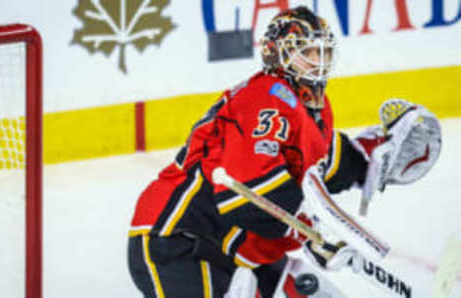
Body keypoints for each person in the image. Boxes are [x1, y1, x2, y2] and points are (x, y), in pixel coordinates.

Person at [127, 5, 441, 298]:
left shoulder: (309, 109)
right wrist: (312, 235)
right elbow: (247, 195)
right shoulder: (263, 96)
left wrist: (367, 158)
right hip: (179, 242)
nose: (318, 61)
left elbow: (320, 165)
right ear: (277, 55)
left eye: (323, 51)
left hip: (232, 250)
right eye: (307, 53)